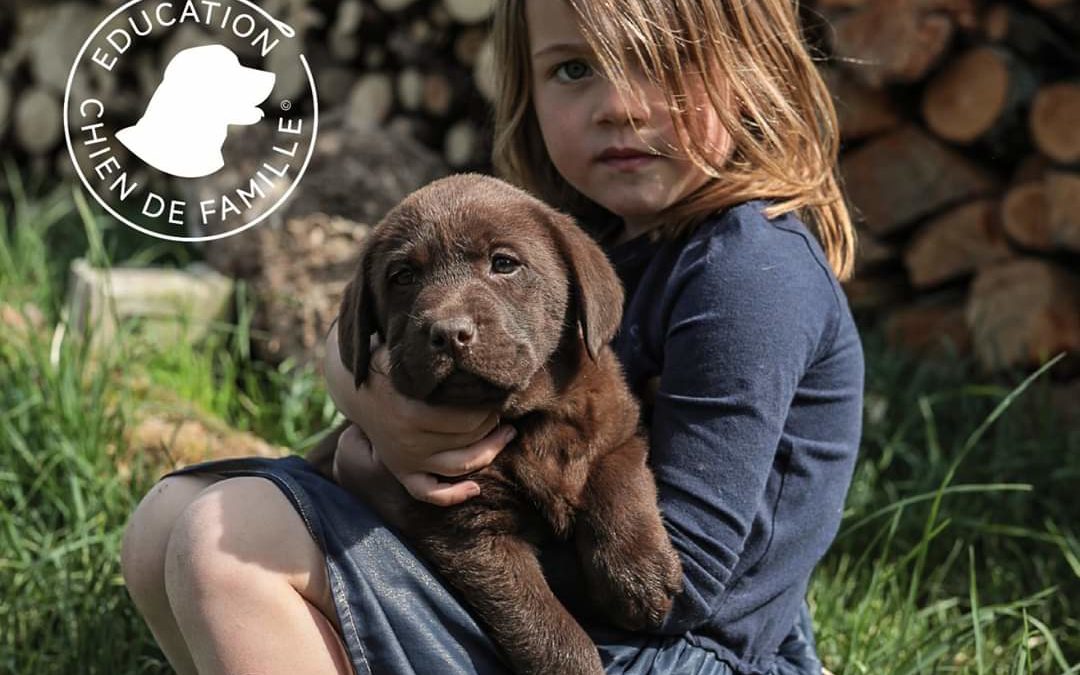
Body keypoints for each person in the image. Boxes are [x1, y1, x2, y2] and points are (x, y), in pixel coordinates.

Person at [120, 0, 864, 673]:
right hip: (556, 613)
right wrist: (371, 417)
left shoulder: (747, 273)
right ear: (525, 88)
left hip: (665, 652)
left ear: (754, 63)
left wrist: (385, 482)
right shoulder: (580, 231)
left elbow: (672, 588)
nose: (619, 105)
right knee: (163, 524)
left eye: (664, 58)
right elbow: (350, 341)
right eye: (574, 68)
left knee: (228, 545)